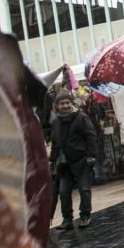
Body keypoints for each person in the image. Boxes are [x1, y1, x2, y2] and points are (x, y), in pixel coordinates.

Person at [50, 91, 97, 230]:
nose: (65, 105)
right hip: (65, 164)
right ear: (57, 105)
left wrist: (91, 155)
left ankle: (85, 216)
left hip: (82, 160)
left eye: (67, 103)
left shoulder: (81, 117)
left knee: (84, 189)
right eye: (62, 103)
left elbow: (91, 136)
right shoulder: (55, 122)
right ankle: (67, 219)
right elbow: (55, 143)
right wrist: (52, 160)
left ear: (72, 103)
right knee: (64, 192)